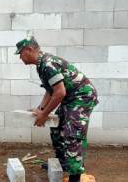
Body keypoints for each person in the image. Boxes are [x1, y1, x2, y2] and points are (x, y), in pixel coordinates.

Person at [15, 36, 98, 182]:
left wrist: (44, 114)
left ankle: (74, 177)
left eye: (20, 53)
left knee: (72, 135)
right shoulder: (41, 65)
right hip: (70, 98)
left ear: (29, 50)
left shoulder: (47, 64)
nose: (20, 58)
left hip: (81, 97)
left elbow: (60, 92)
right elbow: (50, 90)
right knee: (56, 128)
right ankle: (63, 165)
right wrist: (40, 109)